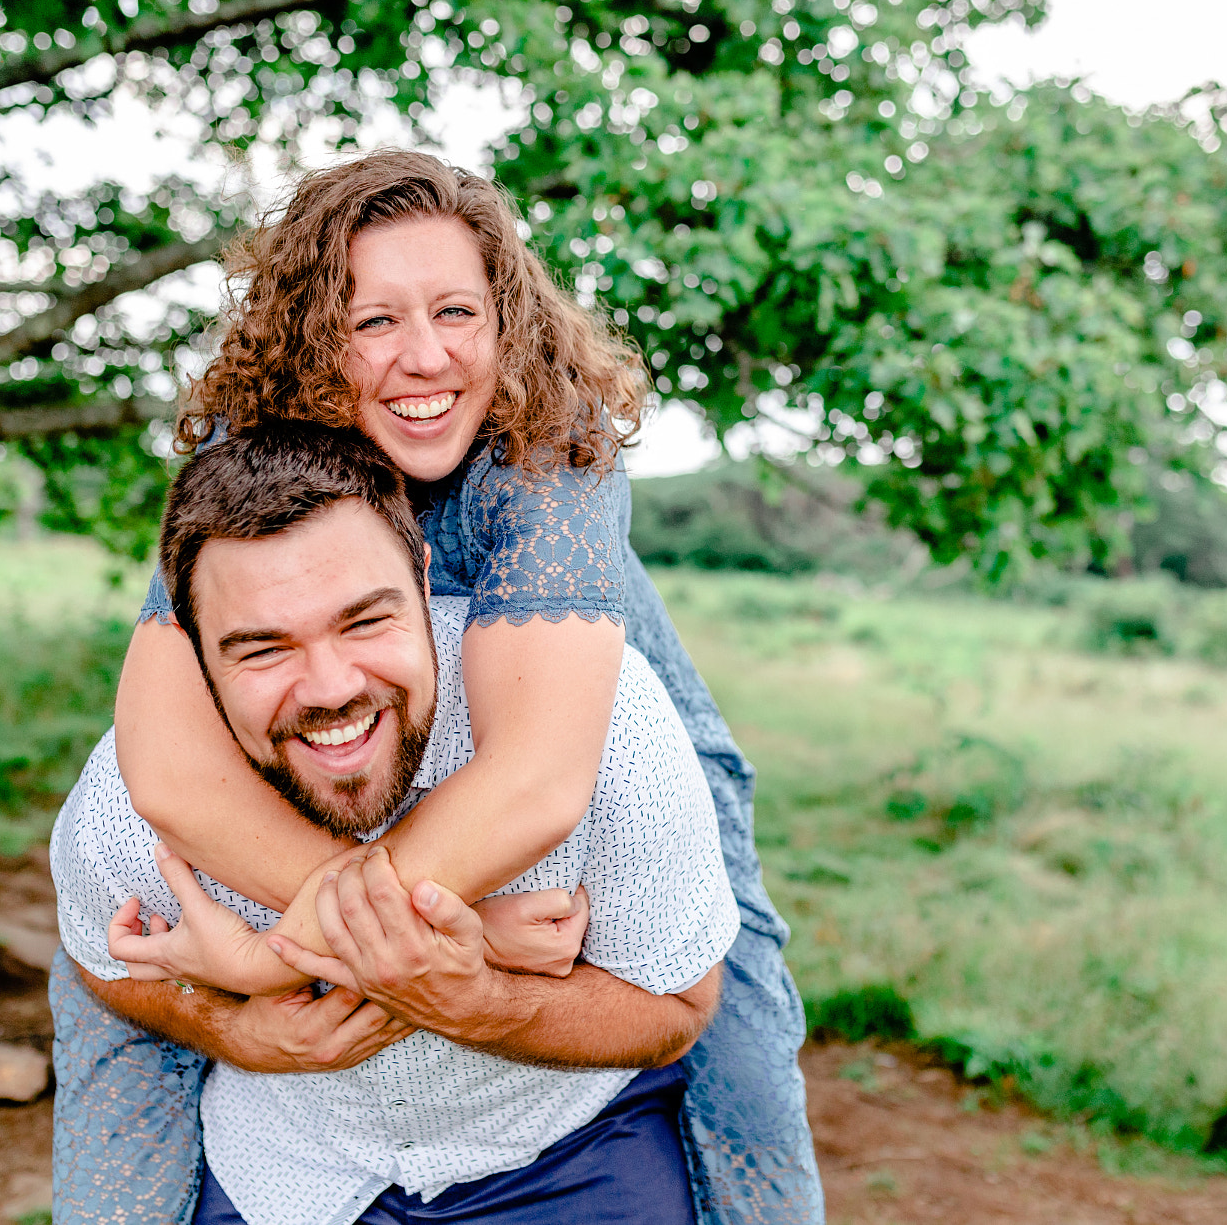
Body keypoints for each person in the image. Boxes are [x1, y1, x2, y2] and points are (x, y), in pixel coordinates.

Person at [49, 151, 822, 1224]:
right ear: (312, 336)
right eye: (371, 323)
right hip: (357, 755)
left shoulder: (548, 451)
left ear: (505, 321)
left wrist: (277, 959)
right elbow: (172, 770)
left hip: (595, 738)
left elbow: (537, 785)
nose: (423, 358)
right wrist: (452, 946)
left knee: (738, 1040)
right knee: (110, 1002)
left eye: (456, 311)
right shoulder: (253, 463)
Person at [53, 423, 740, 1225]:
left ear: (421, 577)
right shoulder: (130, 787)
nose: (331, 687)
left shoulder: (602, 722)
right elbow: (99, 955)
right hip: (286, 1169)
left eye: (364, 622)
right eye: (263, 648)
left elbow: (680, 1006)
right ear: (190, 648)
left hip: (566, 1149)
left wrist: (482, 1001)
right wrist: (231, 1029)